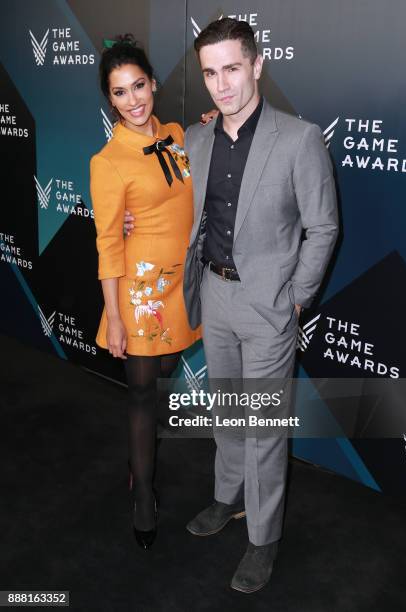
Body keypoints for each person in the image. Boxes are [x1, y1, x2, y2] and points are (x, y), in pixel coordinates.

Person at [125, 17, 338, 593]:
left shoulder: (300, 139)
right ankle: (227, 498)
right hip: (212, 296)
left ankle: (263, 539)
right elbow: (166, 207)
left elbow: (323, 228)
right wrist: (130, 219)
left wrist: (296, 299)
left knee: (264, 428)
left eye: (232, 69)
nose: (222, 85)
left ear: (257, 65)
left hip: (270, 307)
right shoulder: (193, 140)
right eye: (211, 72)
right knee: (228, 415)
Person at [90, 35, 201, 550]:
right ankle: (143, 496)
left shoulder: (179, 134)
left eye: (138, 86)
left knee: (163, 374)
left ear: (153, 84)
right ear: (108, 100)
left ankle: (141, 460)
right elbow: (109, 243)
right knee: (140, 392)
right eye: (119, 93)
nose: (133, 100)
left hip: (182, 283)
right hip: (139, 292)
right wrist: (114, 318)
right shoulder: (108, 161)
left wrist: (203, 130)